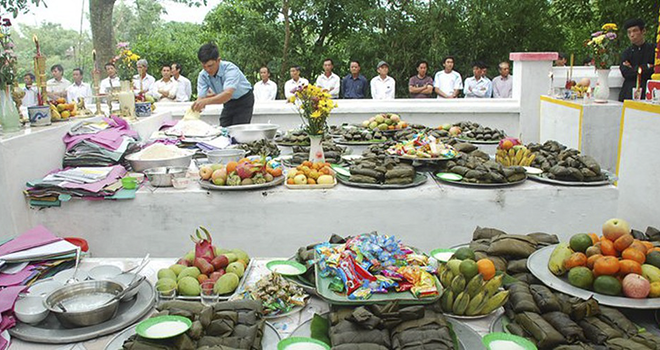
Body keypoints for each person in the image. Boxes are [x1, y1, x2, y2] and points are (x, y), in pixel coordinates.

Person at [191, 42, 254, 127]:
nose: (207, 70)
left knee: (238, 130)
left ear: (218, 60)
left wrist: (205, 102)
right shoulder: (203, 75)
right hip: (228, 102)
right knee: (223, 128)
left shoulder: (230, 69)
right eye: (204, 66)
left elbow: (227, 94)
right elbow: (201, 97)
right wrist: (197, 106)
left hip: (243, 99)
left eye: (210, 66)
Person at [619, 18, 654, 101]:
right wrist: (646, 66)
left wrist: (633, 68)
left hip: (647, 90)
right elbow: (625, 72)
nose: (632, 35)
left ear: (643, 31)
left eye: (635, 31)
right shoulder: (626, 53)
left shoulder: (653, 50)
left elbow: (653, 70)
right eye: (629, 32)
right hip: (628, 91)